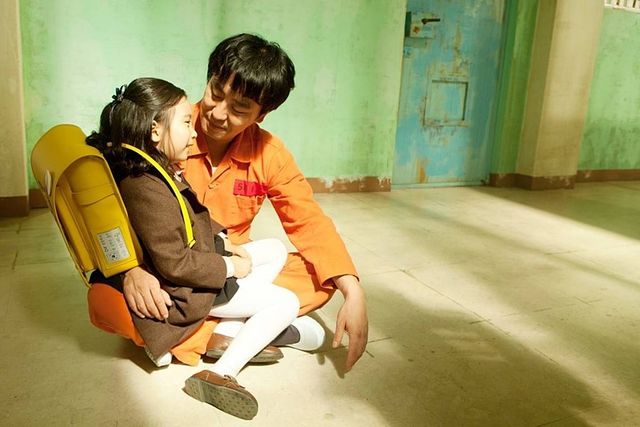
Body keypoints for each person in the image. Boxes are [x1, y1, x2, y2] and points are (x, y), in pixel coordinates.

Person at [98, 33, 369, 371]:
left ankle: (210, 333)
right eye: (215, 92)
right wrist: (129, 270)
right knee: (114, 302)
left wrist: (353, 291)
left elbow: (308, 221)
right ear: (209, 78)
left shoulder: (270, 153)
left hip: (229, 269)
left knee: (321, 275)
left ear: (262, 115)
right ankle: (251, 328)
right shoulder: (165, 129)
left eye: (239, 108)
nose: (217, 113)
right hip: (165, 271)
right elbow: (103, 203)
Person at [87, 77, 300, 419]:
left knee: (275, 249)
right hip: (183, 292)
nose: (194, 133)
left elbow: (192, 215)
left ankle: (230, 329)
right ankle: (220, 373)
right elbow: (174, 263)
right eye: (186, 123)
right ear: (155, 130)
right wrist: (229, 267)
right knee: (287, 302)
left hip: (197, 265)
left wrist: (224, 241)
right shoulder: (144, 187)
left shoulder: (156, 168)